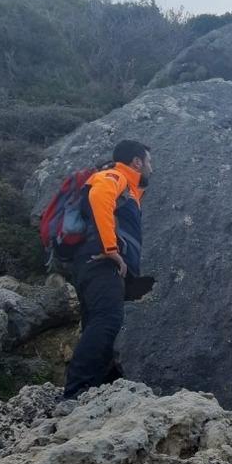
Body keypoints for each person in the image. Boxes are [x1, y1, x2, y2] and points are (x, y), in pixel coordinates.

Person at [62, 139, 153, 399]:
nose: (151, 168)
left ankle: (90, 391)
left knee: (97, 322)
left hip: (91, 263)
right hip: (100, 261)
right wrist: (111, 249)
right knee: (108, 320)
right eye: (149, 162)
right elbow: (99, 195)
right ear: (137, 161)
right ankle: (75, 392)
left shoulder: (131, 189)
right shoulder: (115, 176)